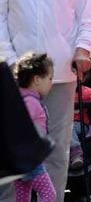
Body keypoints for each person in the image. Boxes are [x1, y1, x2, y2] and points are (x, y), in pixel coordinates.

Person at [0, 0, 91, 202]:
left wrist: (83, 50)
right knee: (10, 149)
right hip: (16, 78)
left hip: (60, 75)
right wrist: (9, 63)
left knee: (57, 150)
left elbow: (89, 20)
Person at [14, 53, 56, 202]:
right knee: (49, 194)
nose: (52, 82)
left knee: (22, 197)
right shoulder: (30, 102)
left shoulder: (21, 98)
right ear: (37, 79)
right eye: (50, 78)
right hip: (29, 159)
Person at [69, 84, 91, 170]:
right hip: (63, 123)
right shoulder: (59, 93)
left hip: (80, 123)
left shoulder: (87, 92)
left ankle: (76, 153)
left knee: (69, 128)